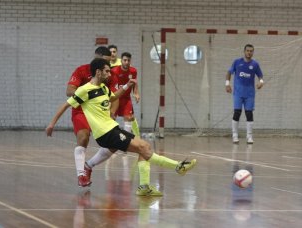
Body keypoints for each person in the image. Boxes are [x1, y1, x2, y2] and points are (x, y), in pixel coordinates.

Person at [47, 58, 197, 195]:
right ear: (98, 72)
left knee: (143, 148)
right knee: (144, 147)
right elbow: (65, 105)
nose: (109, 73)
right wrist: (52, 124)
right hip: (105, 133)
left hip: (112, 128)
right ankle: (178, 167)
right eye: (106, 71)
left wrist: (126, 86)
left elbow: (113, 97)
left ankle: (145, 187)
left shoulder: (104, 88)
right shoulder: (85, 90)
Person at [67, 46, 115, 187]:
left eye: (108, 63)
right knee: (83, 136)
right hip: (82, 110)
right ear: (96, 57)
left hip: (101, 112)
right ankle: (81, 174)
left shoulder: (108, 74)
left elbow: (115, 96)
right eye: (103, 61)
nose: (106, 66)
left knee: (114, 144)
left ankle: (89, 165)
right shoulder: (82, 70)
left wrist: (113, 111)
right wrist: (86, 94)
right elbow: (69, 90)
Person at [111, 52, 158, 195]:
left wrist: (136, 93)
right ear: (121, 60)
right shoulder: (115, 71)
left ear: (130, 61)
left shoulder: (133, 71)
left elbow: (134, 85)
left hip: (126, 99)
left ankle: (124, 144)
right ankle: (112, 142)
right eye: (124, 60)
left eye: (128, 60)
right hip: (115, 97)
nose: (126, 62)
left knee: (128, 118)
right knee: (111, 118)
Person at [226, 44, 264, 144]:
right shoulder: (237, 62)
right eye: (247, 50)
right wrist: (227, 84)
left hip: (250, 94)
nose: (249, 52)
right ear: (244, 51)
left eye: (251, 51)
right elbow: (229, 72)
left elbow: (260, 76)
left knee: (249, 114)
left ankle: (249, 137)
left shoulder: (255, 64)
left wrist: (261, 82)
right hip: (238, 93)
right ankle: (235, 135)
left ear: (253, 52)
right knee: (237, 112)